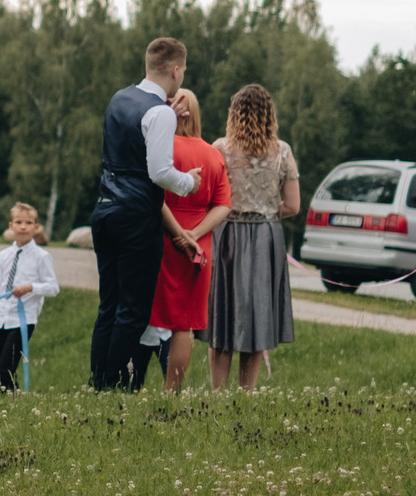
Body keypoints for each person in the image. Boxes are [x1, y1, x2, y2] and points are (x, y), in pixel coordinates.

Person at [89, 38, 202, 391]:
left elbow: (133, 138)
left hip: (104, 210)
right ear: (176, 69)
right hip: (136, 217)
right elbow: (160, 172)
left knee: (109, 305)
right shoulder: (161, 113)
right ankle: (112, 387)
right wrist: (190, 182)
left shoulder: (120, 98)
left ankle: (98, 383)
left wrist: (168, 113)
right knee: (133, 310)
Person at [207, 84, 301, 390]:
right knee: (258, 314)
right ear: (269, 115)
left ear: (234, 114)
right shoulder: (283, 151)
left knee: (223, 314)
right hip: (266, 236)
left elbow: (209, 197)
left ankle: (217, 393)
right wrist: (264, 212)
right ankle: (246, 393)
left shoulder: (219, 149)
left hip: (228, 235)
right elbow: (293, 205)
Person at [150, 88, 231, 392]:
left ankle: (127, 383)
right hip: (198, 245)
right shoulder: (213, 154)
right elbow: (224, 204)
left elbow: (154, 197)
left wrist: (178, 233)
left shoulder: (162, 148)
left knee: (144, 314)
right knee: (182, 325)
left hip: (161, 234)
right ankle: (171, 391)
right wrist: (195, 234)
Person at [0, 202, 61, 392]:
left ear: (36, 227)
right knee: (0, 372)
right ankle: (10, 404)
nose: (23, 226)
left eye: (28, 222)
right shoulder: (3, 255)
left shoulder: (41, 257)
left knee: (6, 368)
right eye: (18, 222)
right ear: (11, 226)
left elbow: (53, 287)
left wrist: (30, 287)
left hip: (22, 320)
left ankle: (13, 402)